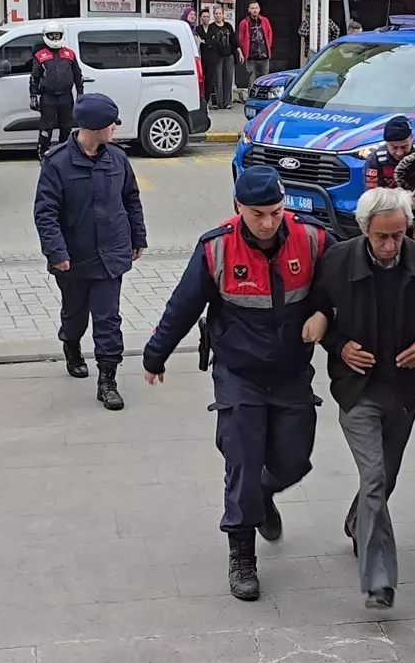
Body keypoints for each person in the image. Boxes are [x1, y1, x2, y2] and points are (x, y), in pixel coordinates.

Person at [142, 166, 336, 601]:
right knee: (243, 460)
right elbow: (183, 304)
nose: (267, 223)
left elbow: (343, 283)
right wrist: (156, 354)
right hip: (238, 373)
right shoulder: (216, 248)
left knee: (294, 461)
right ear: (237, 208)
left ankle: (264, 494)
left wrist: (324, 312)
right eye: (256, 215)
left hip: (290, 372)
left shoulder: (312, 239)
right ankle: (242, 553)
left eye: (274, 212)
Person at [309, 187, 415, 608]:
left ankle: (358, 521)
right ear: (364, 232)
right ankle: (378, 579)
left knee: (385, 478)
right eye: (381, 237)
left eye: (398, 235)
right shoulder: (337, 261)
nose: (391, 246)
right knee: (374, 477)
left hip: (406, 390)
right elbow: (318, 310)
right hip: (358, 389)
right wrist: (338, 346)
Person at [34, 94, 147, 411]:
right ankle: (70, 343)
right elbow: (46, 213)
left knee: (108, 318)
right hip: (73, 258)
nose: (115, 129)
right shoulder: (57, 163)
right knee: (75, 314)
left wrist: (137, 237)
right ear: (96, 127)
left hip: (111, 255)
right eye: (112, 124)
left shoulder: (118, 159)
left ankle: (107, 380)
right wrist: (56, 253)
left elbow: (131, 199)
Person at [30, 21, 84, 159]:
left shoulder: (69, 54)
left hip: (66, 96)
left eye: (57, 35)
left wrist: (80, 93)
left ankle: (65, 151)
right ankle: (43, 151)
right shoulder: (40, 55)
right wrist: (33, 96)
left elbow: (77, 74)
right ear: (46, 36)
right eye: (52, 36)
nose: (55, 38)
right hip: (48, 97)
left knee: (66, 126)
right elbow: (34, 77)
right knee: (46, 126)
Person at [238, 0, 273, 84]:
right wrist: (245, 51)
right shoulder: (244, 23)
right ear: (249, 10)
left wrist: (267, 47)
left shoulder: (265, 21)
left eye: (256, 8)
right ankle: (251, 96)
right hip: (251, 57)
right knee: (252, 79)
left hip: (264, 56)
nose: (255, 10)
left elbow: (269, 35)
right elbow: (241, 39)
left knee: (265, 80)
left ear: (259, 9)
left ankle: (263, 97)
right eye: (252, 8)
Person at [213, 11, 238, 110]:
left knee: (228, 79)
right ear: (214, 15)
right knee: (218, 79)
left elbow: (234, 40)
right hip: (217, 56)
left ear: (223, 15)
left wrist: (239, 50)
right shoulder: (212, 27)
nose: (218, 15)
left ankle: (227, 102)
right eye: (216, 14)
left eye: (220, 13)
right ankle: (219, 103)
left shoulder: (228, 26)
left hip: (229, 55)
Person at [198, 8, 222, 109]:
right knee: (200, 80)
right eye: (204, 17)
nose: (206, 18)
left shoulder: (213, 28)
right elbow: (200, 42)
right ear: (201, 18)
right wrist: (207, 42)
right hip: (201, 59)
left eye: (208, 17)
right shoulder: (198, 28)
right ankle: (200, 99)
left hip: (211, 59)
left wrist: (205, 42)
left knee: (209, 80)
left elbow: (215, 41)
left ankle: (207, 101)